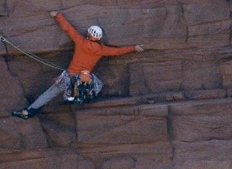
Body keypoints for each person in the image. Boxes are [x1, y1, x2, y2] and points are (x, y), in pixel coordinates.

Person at [12, 11, 145, 119]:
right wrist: (134, 48)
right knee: (89, 86)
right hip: (83, 81)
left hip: (69, 77)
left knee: (49, 94)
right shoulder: (101, 50)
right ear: (99, 38)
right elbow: (117, 51)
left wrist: (58, 15)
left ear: (89, 33)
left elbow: (69, 29)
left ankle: (28, 112)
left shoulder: (81, 42)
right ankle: (80, 99)